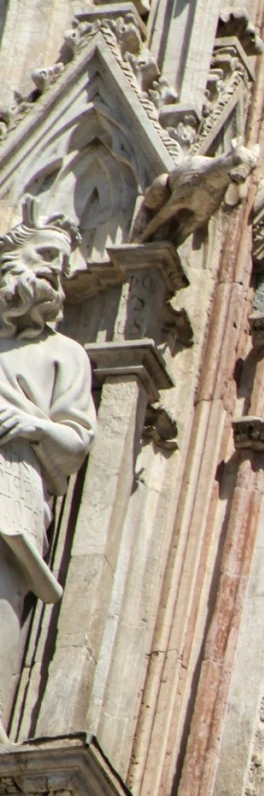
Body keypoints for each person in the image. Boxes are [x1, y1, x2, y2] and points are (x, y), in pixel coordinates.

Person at [0, 209, 92, 723]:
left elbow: (76, 440)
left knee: (1, 592)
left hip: (12, 477)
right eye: (47, 256)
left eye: (64, 262)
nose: (58, 270)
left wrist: (32, 427)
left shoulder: (64, 353)